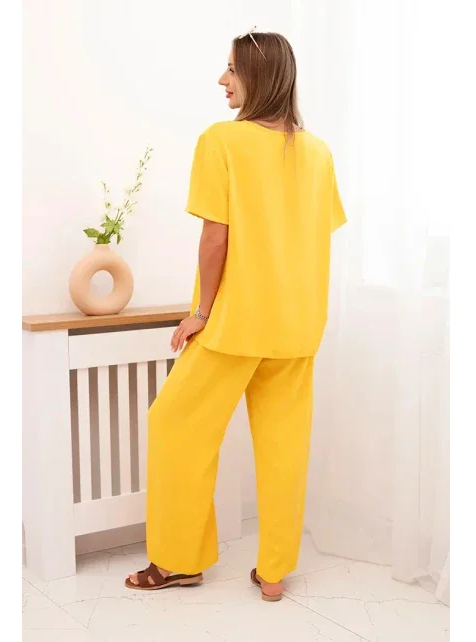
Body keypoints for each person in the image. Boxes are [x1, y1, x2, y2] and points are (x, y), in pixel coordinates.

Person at [126, 29, 346, 601]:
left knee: (174, 427)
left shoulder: (222, 140)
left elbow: (215, 238)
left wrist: (201, 312)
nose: (222, 80)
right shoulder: (319, 152)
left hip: (235, 323)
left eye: (231, 68)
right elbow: (313, 237)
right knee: (283, 447)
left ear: (259, 76)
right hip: (297, 325)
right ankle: (274, 572)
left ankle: (178, 561)